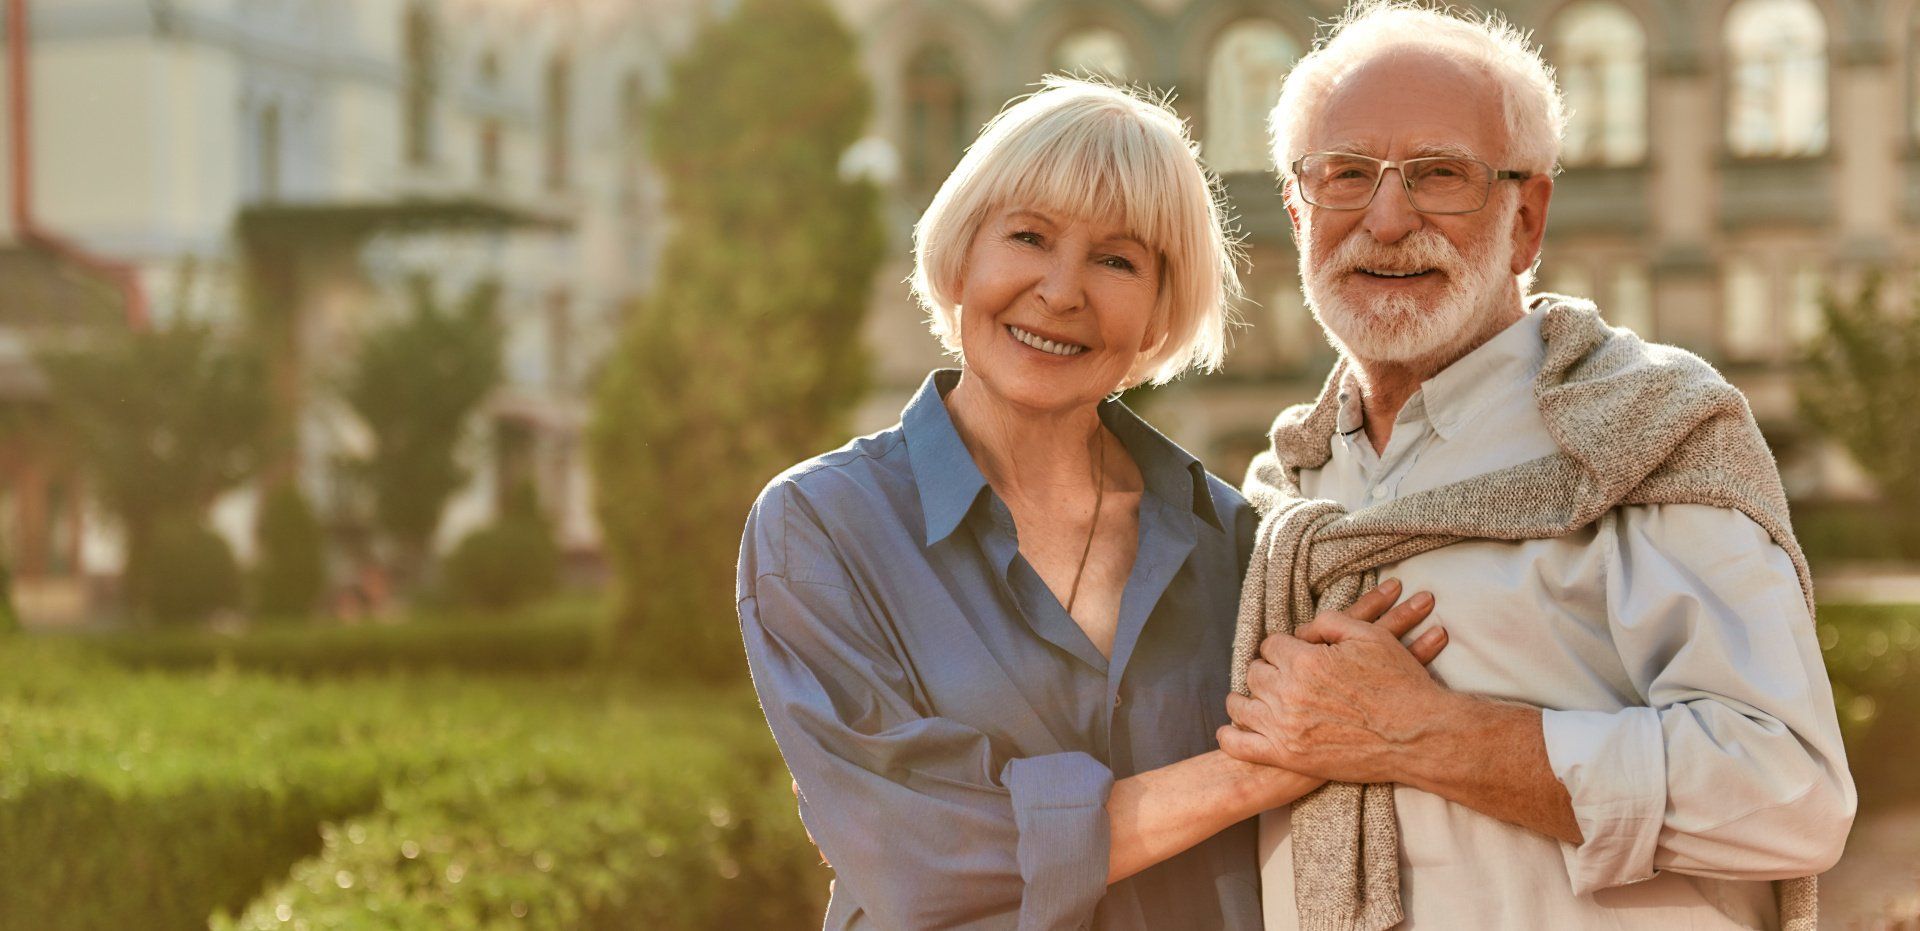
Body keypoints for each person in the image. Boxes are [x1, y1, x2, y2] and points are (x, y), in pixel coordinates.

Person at [736, 77, 1446, 928]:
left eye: (1118, 259)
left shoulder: (1243, 544)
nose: (1063, 291)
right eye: (1030, 237)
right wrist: (1258, 768)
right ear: (963, 255)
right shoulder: (821, 528)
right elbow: (915, 852)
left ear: (1157, 309)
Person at [1214, 4, 1855, 930]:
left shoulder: (1648, 432)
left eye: (1440, 176)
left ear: (1527, 218)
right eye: (1345, 175)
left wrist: (1426, 733)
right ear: (1296, 209)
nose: (1386, 220)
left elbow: (1790, 795)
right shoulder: (1281, 496)